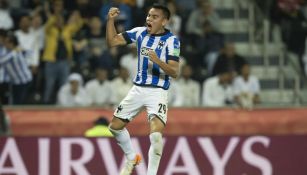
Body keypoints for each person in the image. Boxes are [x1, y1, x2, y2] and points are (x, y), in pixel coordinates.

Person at [106, 4, 180, 175]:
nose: (149, 19)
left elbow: (174, 71)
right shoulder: (140, 33)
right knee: (114, 127)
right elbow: (112, 41)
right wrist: (110, 21)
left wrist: (157, 60)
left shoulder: (172, 41)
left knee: (155, 135)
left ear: (164, 21)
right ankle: (132, 158)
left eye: (155, 17)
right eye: (148, 15)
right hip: (138, 89)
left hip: (157, 91)